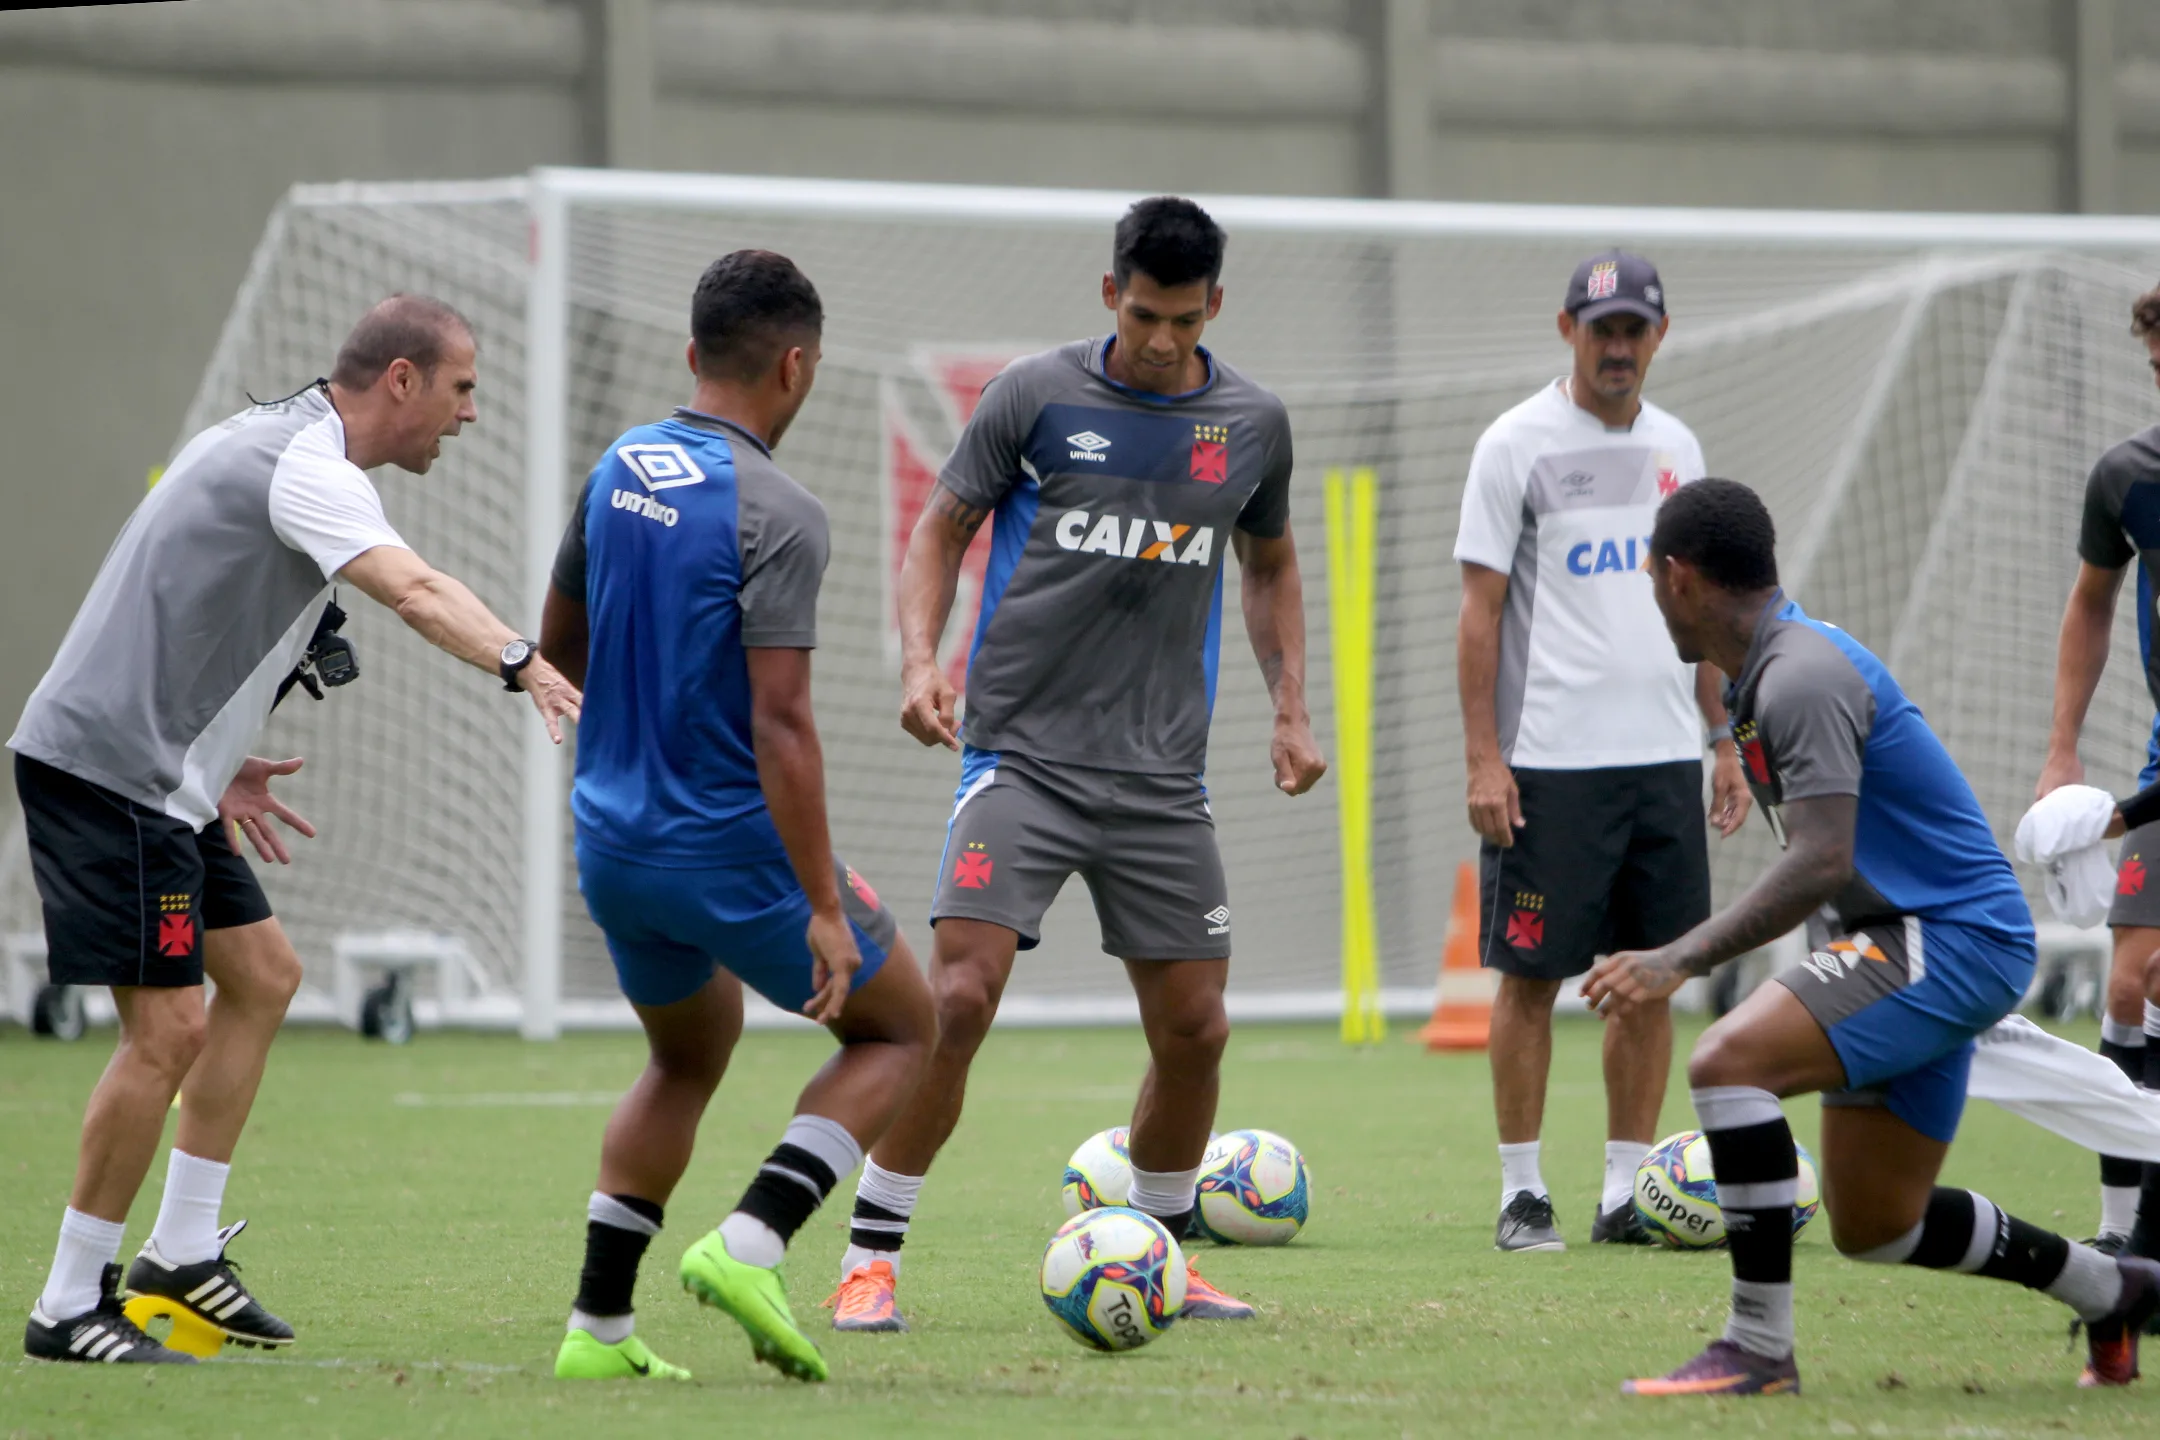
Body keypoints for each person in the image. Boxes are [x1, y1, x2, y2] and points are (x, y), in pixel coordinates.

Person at [10, 295, 581, 1364]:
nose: (469, 415)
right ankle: (67, 1302)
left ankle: (179, 1255)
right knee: (167, 1031)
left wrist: (215, 767)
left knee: (264, 976)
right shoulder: (307, 468)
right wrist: (522, 659)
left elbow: (185, 602)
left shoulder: (272, 441)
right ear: (401, 381)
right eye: (461, 389)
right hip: (110, 772)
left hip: (165, 777)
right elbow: (411, 590)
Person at [820, 197, 1326, 1333]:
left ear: (1215, 308)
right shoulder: (1035, 397)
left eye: (1184, 321)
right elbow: (939, 529)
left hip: (1161, 782)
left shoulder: (1251, 422)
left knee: (1196, 1031)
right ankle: (871, 1260)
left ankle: (1164, 1252)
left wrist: (1292, 708)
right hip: (1024, 759)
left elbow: (1271, 562)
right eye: (1144, 314)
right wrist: (920, 662)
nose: (1160, 340)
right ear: (1110, 294)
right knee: (956, 996)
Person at [1586, 477, 2160, 1396]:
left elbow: (1820, 859)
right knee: (1875, 1223)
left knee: (1726, 1065)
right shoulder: (1760, 675)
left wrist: (1676, 959)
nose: (1652, 593)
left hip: (1946, 938)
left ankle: (1759, 1350)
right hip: (1912, 942)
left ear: (1680, 576)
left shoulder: (1800, 675)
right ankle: (2114, 1288)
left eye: (1652, 574)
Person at [539, 250, 935, 1384]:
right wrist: (820, 902)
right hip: (730, 847)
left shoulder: (617, 468)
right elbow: (783, 727)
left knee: (688, 1052)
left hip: (612, 840)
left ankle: (598, 1331)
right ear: (797, 366)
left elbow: (556, 652)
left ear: (691, 354)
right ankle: (753, 1241)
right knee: (903, 1025)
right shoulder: (781, 510)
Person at [1453, 250, 1750, 1252]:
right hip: (1550, 770)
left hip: (1665, 763)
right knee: (1531, 978)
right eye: (1601, 328)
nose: (1616, 347)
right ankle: (1522, 1192)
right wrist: (1484, 759)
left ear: (1659, 336)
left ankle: (1628, 1192)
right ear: (1567, 330)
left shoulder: (1681, 447)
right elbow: (1478, 615)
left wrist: (1724, 738)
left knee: (1654, 976)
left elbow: (1702, 610)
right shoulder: (1514, 446)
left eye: (1634, 329)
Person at [2035, 279, 2160, 1256]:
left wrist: (2117, 815)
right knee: (2128, 988)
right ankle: (2122, 1244)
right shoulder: (2127, 476)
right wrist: (2063, 750)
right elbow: (2090, 601)